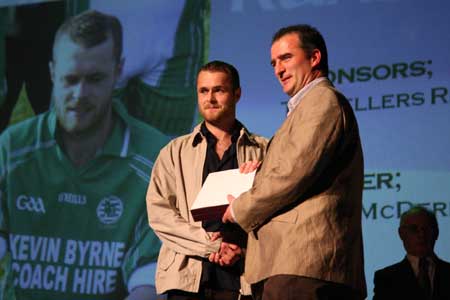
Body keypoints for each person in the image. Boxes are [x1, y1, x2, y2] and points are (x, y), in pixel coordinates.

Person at [0, 10, 169, 300]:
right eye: (70, 79)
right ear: (52, 72)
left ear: (118, 72)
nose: (79, 94)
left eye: (94, 79)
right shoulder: (13, 148)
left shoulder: (155, 158)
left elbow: (150, 282)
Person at [222, 24, 367, 300]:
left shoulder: (321, 100)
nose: (278, 69)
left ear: (314, 58)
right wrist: (259, 174)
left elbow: (293, 174)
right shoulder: (304, 107)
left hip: (307, 264)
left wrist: (240, 208)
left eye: (286, 58)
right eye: (274, 62)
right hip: (291, 265)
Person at [147, 60, 268, 299]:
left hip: (242, 281)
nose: (210, 98)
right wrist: (209, 245)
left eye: (218, 90)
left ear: (237, 94)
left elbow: (275, 220)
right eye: (203, 90)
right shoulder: (174, 152)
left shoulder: (264, 151)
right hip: (186, 280)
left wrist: (243, 251)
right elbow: (159, 214)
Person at [373, 206, 450, 300]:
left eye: (426, 229)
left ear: (436, 233)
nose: (421, 234)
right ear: (401, 234)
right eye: (414, 229)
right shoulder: (386, 278)